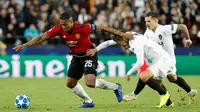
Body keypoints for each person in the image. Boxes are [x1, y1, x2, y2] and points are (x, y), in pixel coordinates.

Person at [13, 12, 133, 108]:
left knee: (90, 82)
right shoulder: (58, 29)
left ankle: (116, 87)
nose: (63, 27)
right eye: (62, 24)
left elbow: (103, 28)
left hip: (89, 54)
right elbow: (41, 37)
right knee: (70, 83)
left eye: (65, 24)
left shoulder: (82, 27)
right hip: (76, 57)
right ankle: (88, 101)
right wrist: (26, 45)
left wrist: (121, 34)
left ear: (71, 22)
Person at [123, 11, 197, 105]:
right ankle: (187, 94)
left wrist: (188, 39)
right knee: (167, 79)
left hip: (168, 60)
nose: (147, 24)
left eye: (149, 21)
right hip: (158, 60)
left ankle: (136, 94)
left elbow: (183, 26)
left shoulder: (164, 29)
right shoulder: (147, 33)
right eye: (146, 21)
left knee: (162, 80)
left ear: (155, 20)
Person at [86, 32, 173, 108]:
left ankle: (164, 94)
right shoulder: (126, 36)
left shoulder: (136, 43)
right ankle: (169, 103)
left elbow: (140, 62)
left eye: (122, 44)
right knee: (157, 82)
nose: (123, 46)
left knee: (143, 76)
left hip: (163, 60)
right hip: (158, 59)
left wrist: (129, 73)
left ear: (124, 39)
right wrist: (95, 49)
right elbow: (108, 43)